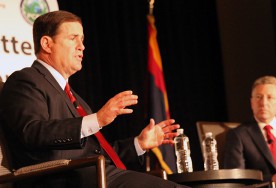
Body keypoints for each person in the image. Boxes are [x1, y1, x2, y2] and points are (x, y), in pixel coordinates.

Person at [0, 10, 190, 188]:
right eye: (73, 38)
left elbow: (97, 152)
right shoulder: (25, 80)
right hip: (63, 178)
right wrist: (97, 119)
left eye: (82, 39)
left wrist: (138, 144)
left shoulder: (75, 98)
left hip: (96, 173)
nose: (82, 46)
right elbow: (32, 131)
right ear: (46, 44)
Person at [223, 75, 276, 187]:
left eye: (269, 97)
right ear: (251, 103)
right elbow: (235, 177)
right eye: (258, 97)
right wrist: (272, 179)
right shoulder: (238, 135)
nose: (263, 103)